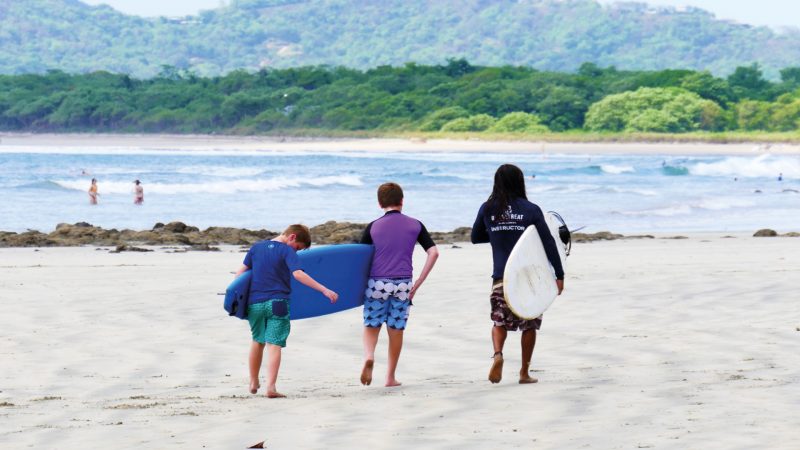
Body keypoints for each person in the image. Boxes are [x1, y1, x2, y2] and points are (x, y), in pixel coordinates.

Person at [471, 164, 564, 385]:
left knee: (499, 322)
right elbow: (548, 242)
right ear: (520, 182)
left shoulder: (487, 208)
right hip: (530, 278)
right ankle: (523, 373)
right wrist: (559, 274)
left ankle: (498, 355)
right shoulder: (531, 209)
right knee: (530, 323)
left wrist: (496, 234)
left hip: (501, 276)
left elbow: (475, 237)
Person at [234, 224, 339, 398]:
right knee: (274, 344)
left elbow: (239, 275)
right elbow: (298, 274)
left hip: (255, 303)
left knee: (257, 341)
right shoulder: (286, 251)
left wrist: (236, 299)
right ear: (292, 237)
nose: (296, 252)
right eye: (297, 248)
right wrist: (324, 290)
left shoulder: (256, 248)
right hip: (278, 303)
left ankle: (253, 381)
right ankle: (271, 387)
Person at [359, 182, 439, 387]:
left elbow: (359, 258)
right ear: (402, 201)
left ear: (379, 203)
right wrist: (419, 281)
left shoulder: (373, 226)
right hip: (403, 284)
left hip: (377, 282)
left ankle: (369, 356)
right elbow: (433, 252)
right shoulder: (416, 224)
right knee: (396, 329)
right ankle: (390, 377)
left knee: (371, 325)